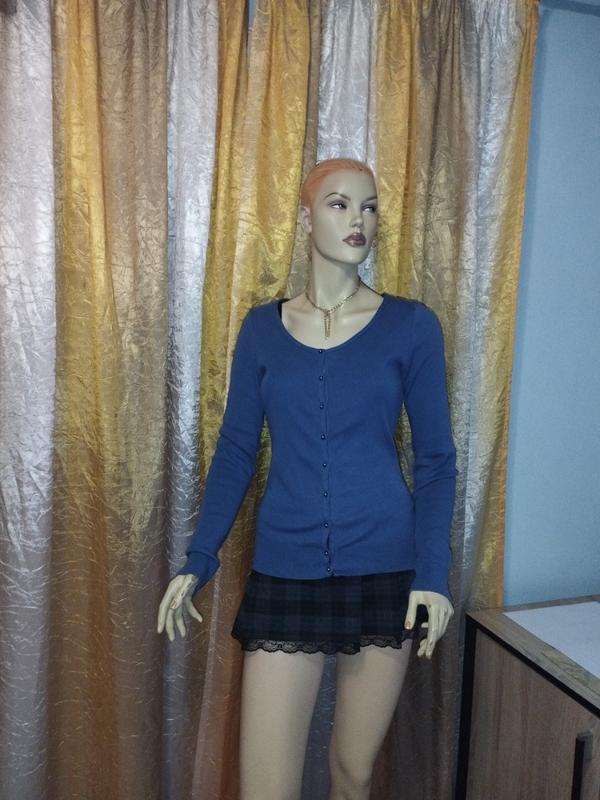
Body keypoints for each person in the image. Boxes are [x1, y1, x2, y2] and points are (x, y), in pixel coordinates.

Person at [157, 158, 458, 800]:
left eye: (369, 206)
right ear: (307, 217)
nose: (358, 220)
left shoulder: (411, 326)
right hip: (285, 569)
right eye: (339, 203)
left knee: (352, 775)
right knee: (265, 788)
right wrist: (200, 558)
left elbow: (436, 461)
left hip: (386, 573)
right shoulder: (262, 330)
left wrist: (433, 574)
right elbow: (237, 450)